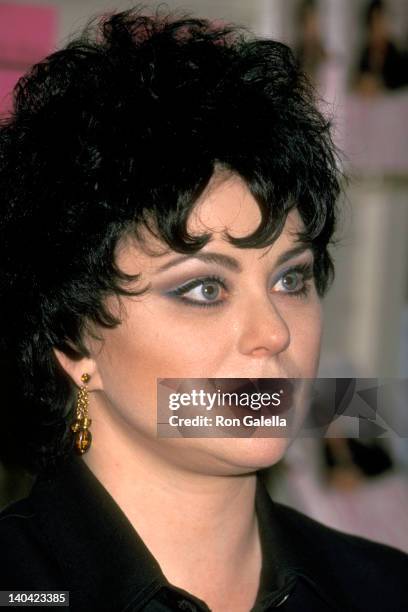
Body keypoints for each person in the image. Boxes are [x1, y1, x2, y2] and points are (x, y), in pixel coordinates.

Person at [0, 5, 407, 611]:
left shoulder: (384, 590)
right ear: (75, 344)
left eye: (291, 279)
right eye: (204, 290)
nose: (272, 333)